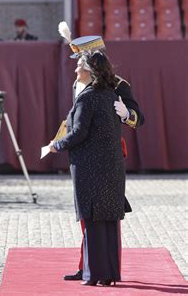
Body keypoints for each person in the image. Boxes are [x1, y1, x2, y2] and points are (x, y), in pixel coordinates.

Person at [57, 24, 145, 281]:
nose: (77, 64)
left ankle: (103, 268)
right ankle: (87, 265)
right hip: (85, 156)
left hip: (105, 157)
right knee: (88, 218)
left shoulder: (118, 85)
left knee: (104, 216)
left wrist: (127, 115)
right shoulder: (79, 83)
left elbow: (139, 118)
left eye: (81, 59)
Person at [48, 51, 126, 286]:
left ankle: (94, 274)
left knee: (93, 220)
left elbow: (79, 133)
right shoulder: (110, 94)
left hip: (90, 168)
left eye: (79, 66)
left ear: (90, 72)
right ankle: (109, 274)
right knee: (109, 221)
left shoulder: (87, 97)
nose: (75, 70)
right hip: (111, 167)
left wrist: (56, 145)